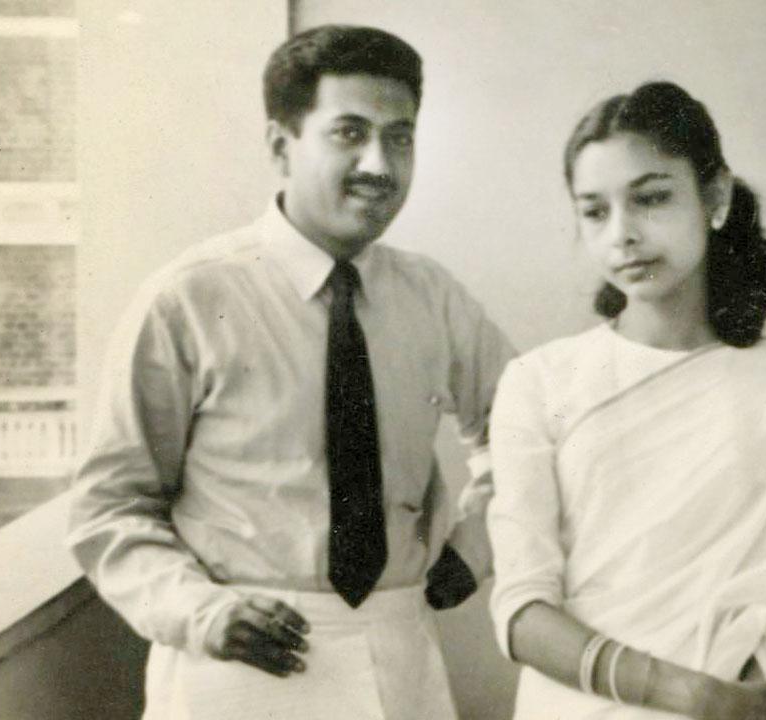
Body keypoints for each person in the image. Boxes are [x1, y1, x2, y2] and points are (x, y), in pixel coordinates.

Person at [67, 25, 514, 720]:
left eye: (400, 138)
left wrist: (475, 545)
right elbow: (109, 506)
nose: (380, 164)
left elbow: (529, 435)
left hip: (400, 654)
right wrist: (200, 611)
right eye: (349, 133)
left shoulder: (434, 298)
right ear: (281, 146)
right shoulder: (190, 298)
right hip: (241, 665)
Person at [487, 81, 766, 719]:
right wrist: (692, 694)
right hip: (585, 704)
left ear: (714, 197)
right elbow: (522, 612)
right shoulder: (539, 383)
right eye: (594, 211)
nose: (623, 235)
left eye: (652, 199)